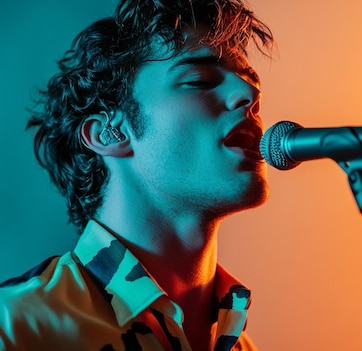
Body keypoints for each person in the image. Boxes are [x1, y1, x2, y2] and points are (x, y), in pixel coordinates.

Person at [0, 0, 274, 350]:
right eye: (200, 80)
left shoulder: (242, 345)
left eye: (250, 79)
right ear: (108, 134)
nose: (250, 93)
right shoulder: (17, 325)